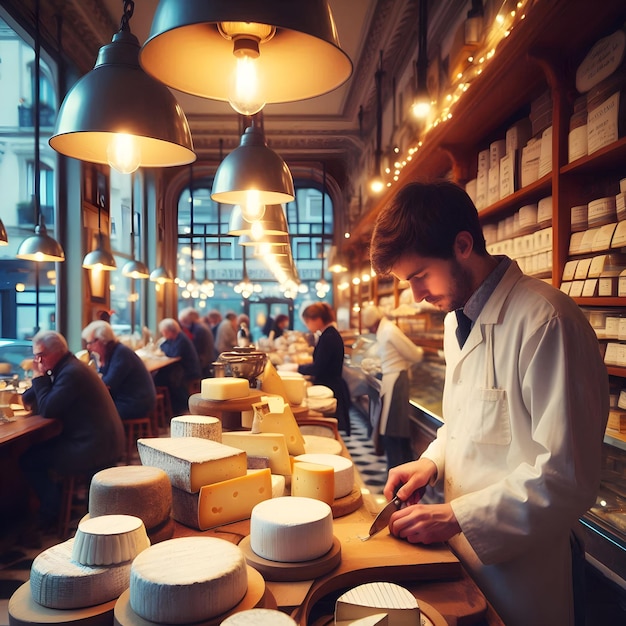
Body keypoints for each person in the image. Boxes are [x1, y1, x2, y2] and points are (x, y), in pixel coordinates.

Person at [369, 181, 609, 626]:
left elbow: (567, 477)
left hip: (524, 574)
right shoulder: (455, 320)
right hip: (464, 558)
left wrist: (458, 515)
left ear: (463, 245)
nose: (417, 294)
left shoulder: (546, 321)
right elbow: (463, 423)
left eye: (419, 276)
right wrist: (432, 462)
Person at [20, 330, 125, 531]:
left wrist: (38, 375)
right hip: (100, 440)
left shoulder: (71, 372)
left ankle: (51, 513)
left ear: (57, 352)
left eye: (41, 355)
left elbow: (48, 409)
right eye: (35, 356)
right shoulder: (69, 366)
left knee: (29, 459)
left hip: (94, 446)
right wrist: (37, 382)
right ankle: (54, 505)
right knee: (37, 452)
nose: (37, 360)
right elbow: (38, 397)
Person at [361, 305, 424, 471]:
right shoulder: (384, 330)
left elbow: (414, 354)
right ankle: (397, 473)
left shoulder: (389, 330)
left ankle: (399, 475)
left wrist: (421, 354)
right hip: (392, 381)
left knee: (393, 431)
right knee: (391, 431)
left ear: (373, 324)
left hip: (397, 382)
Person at [81, 320, 156, 421]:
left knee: (93, 415)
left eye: (90, 342)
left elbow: (108, 383)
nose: (88, 347)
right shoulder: (113, 352)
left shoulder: (121, 353)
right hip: (129, 400)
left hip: (136, 403)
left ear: (102, 340)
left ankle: (115, 437)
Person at [297, 302, 351, 435]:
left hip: (330, 386)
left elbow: (318, 368)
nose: (307, 326)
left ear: (318, 319)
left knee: (329, 431)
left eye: (308, 321)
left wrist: (297, 368)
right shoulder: (328, 334)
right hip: (330, 384)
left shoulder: (329, 336)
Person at [155, 318, 201, 415]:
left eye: (163, 332)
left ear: (170, 331)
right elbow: (165, 347)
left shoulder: (181, 340)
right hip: (181, 369)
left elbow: (174, 354)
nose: (163, 335)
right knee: (161, 377)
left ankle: (177, 409)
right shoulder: (177, 338)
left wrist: (164, 348)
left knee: (163, 380)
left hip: (189, 371)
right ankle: (170, 410)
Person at [179, 307, 216, 373]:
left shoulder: (198, 329)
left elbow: (195, 348)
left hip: (203, 363)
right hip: (207, 360)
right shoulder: (202, 326)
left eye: (184, 321)